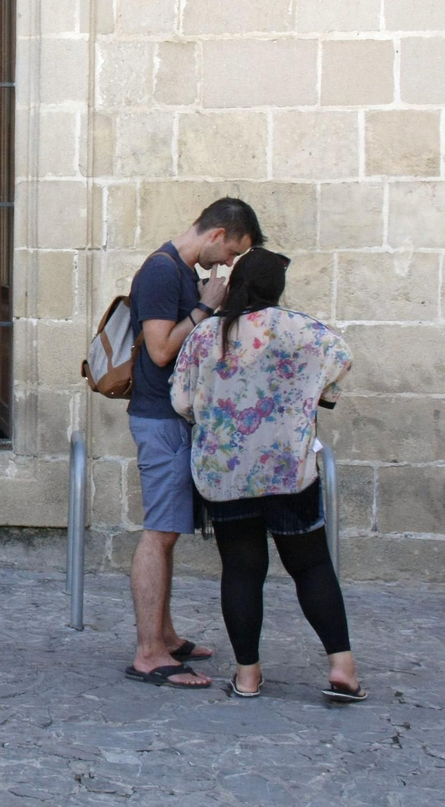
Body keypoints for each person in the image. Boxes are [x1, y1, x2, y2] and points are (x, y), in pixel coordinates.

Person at [170, 247, 365, 703]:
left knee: (241, 570)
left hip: (224, 474)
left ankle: (248, 676)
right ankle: (343, 668)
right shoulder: (306, 332)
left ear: (237, 286)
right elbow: (342, 357)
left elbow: (181, 400)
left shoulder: (206, 336)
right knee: (311, 566)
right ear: (277, 288)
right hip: (287, 470)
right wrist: (317, 397)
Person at [122, 198, 264, 689]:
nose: (228, 263)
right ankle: (148, 654)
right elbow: (161, 350)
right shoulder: (162, 273)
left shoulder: (180, 271)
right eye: (231, 253)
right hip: (159, 419)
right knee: (158, 533)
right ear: (218, 233)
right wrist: (208, 306)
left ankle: (164, 634)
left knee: (170, 532)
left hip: (172, 419)